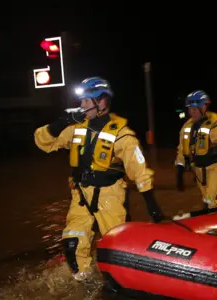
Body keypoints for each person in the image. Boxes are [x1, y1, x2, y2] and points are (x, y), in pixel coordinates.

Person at [34, 77, 163, 281]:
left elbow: (139, 170)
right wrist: (60, 124)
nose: (82, 106)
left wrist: (151, 204)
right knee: (72, 242)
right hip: (80, 195)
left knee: (117, 247)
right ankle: (85, 283)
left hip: (109, 195)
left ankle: (127, 282)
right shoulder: (76, 128)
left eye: (86, 101)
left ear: (101, 102)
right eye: (82, 101)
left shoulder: (122, 134)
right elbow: (43, 142)